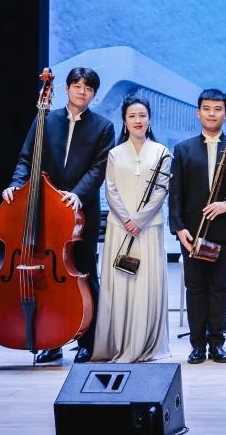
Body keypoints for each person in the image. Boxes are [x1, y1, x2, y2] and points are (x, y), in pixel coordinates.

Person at [1, 66, 115, 364]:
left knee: (85, 272)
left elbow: (99, 168)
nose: (82, 92)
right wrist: (16, 184)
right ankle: (51, 341)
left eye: (88, 88)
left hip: (81, 211)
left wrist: (77, 194)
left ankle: (88, 341)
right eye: (77, 86)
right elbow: (26, 158)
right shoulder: (45, 119)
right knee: (47, 277)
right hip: (45, 210)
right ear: (66, 88)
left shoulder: (103, 127)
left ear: (94, 94)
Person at [168, 88, 226, 365]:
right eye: (206, 108)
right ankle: (197, 345)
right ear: (198, 113)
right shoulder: (183, 149)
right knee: (195, 289)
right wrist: (179, 228)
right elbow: (175, 193)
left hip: (224, 231)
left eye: (217, 109)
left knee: (219, 289)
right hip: (191, 233)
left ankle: (217, 343)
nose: (212, 114)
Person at [91, 95, 171, 363]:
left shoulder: (161, 152)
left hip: (148, 229)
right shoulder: (115, 153)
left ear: (149, 120)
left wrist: (139, 220)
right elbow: (110, 189)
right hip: (120, 228)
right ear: (124, 121)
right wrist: (127, 219)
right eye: (132, 116)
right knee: (121, 284)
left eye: (142, 116)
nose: (138, 120)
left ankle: (145, 343)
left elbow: (161, 190)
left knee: (145, 284)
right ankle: (119, 343)